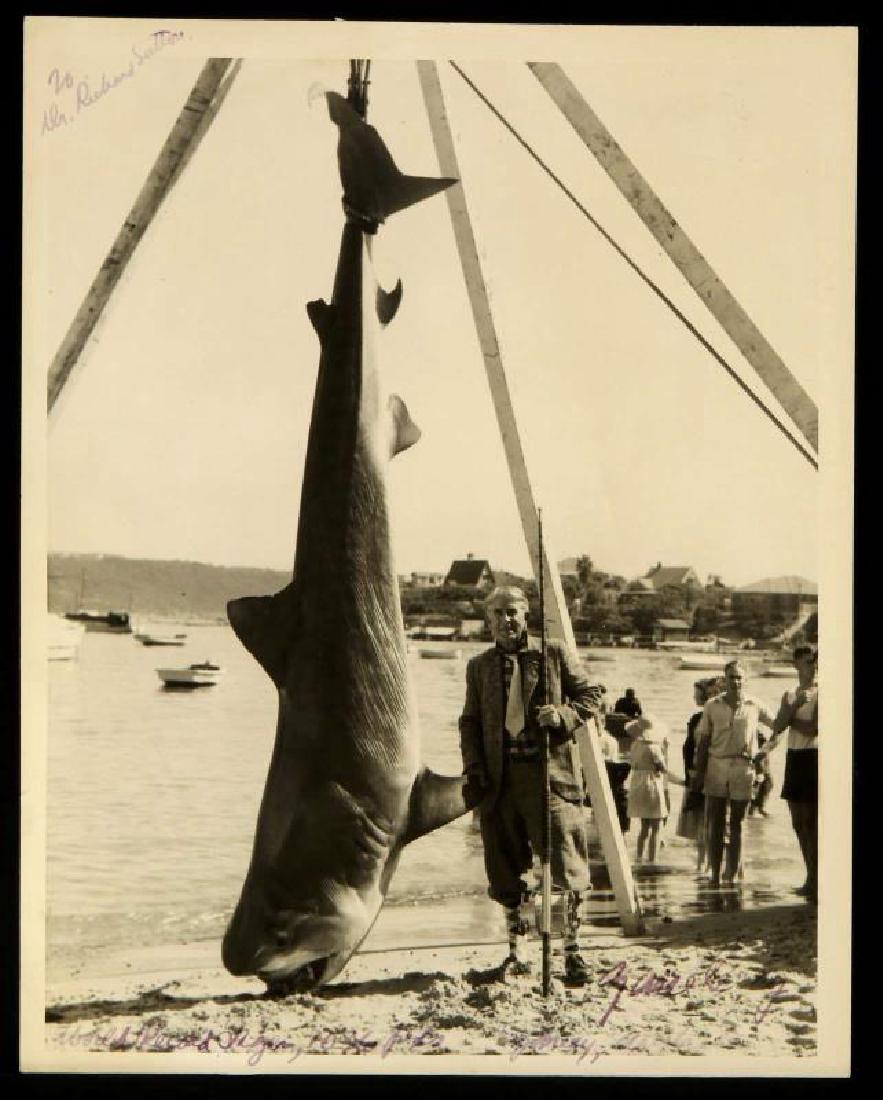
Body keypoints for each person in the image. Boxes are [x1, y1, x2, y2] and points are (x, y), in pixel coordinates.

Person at [459, 586, 604, 984]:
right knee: (505, 871)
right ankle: (515, 954)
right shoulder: (480, 666)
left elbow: (592, 694)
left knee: (568, 866)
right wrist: (474, 768)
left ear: (526, 616)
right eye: (499, 614)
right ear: (488, 621)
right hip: (499, 781)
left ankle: (573, 953)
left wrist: (562, 714)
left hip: (549, 778)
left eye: (513, 613)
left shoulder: (552, 654)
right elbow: (470, 722)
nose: (507, 621)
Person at [691, 660, 780, 888]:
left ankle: (731, 873)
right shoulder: (712, 705)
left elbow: (779, 727)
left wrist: (764, 751)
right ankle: (714, 874)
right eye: (732, 677)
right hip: (716, 765)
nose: (736, 682)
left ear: (746, 680)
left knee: (739, 823)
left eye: (740, 677)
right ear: (724, 679)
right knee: (716, 823)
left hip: (744, 767)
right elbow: (703, 741)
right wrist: (698, 773)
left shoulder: (754, 705)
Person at [754, 645, 818, 902]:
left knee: (812, 822)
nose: (812, 666)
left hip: (814, 756)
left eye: (814, 662)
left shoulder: (822, 691)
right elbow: (778, 726)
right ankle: (810, 875)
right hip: (794, 757)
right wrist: (792, 712)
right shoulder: (790, 694)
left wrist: (790, 717)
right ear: (796, 665)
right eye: (807, 662)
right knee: (797, 823)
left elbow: (813, 729)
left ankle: (814, 879)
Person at [626, 715, 669, 863]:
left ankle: (639, 856)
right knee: (657, 826)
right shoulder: (654, 747)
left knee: (644, 827)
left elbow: (633, 764)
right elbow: (662, 768)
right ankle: (652, 859)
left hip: (637, 783)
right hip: (651, 783)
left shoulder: (635, 745)